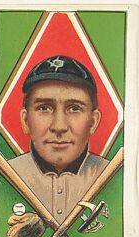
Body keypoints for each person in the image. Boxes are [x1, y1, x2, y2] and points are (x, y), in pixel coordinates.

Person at [7, 55, 109, 224]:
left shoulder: (113, 176)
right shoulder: (5, 176)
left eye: (74, 108)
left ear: (93, 122)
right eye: (44, 108)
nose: (59, 126)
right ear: (26, 121)